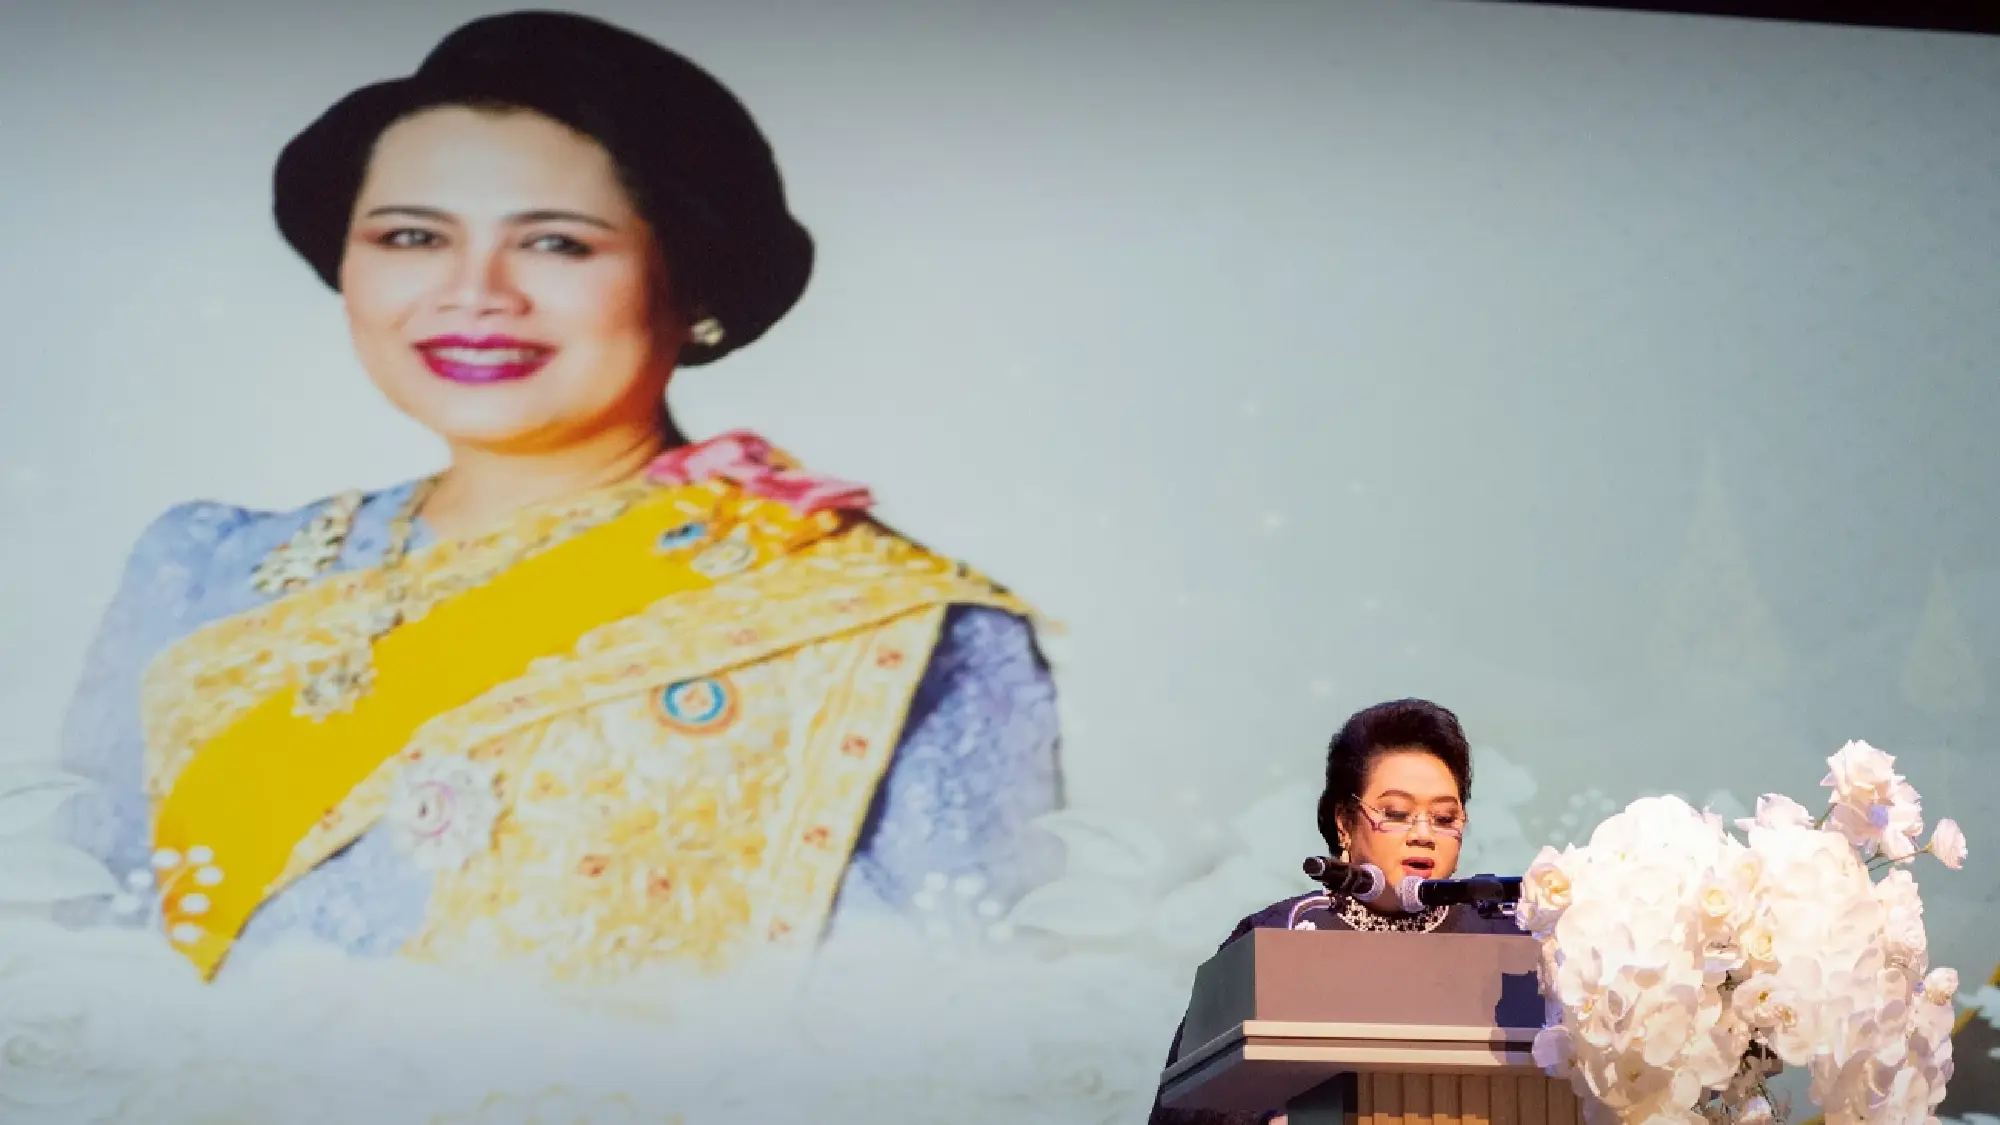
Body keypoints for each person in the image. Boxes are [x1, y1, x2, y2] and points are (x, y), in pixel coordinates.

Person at [54, 10, 1061, 987]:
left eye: (557, 244)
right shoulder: (199, 572)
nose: (474, 292)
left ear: (693, 285)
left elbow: (968, 1032)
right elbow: (72, 966)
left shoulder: (878, 617)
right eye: (410, 237)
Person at [1148, 699, 1516, 1125]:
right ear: (1344, 822)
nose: (1423, 834)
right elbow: (1185, 1111)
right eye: (1396, 813)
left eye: (1443, 817)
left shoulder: (1504, 939)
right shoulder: (1282, 937)